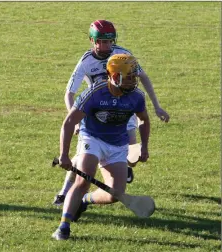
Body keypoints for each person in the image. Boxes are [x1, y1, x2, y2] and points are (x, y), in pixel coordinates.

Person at [53, 19, 170, 206]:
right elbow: (69, 93)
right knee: (82, 156)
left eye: (108, 41)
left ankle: (120, 171)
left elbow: (143, 77)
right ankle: (64, 192)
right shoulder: (86, 61)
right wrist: (74, 120)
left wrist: (156, 106)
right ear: (92, 40)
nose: (105, 45)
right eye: (100, 41)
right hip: (95, 112)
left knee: (131, 153)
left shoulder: (123, 56)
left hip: (123, 108)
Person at [52, 54, 151, 240]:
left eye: (134, 76)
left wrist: (144, 146)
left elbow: (144, 120)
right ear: (114, 77)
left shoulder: (136, 96)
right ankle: (63, 226)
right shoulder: (94, 93)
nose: (133, 80)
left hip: (118, 144)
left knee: (116, 194)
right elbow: (68, 122)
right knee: (84, 180)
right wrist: (64, 154)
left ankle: (83, 201)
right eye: (129, 76)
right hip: (92, 138)